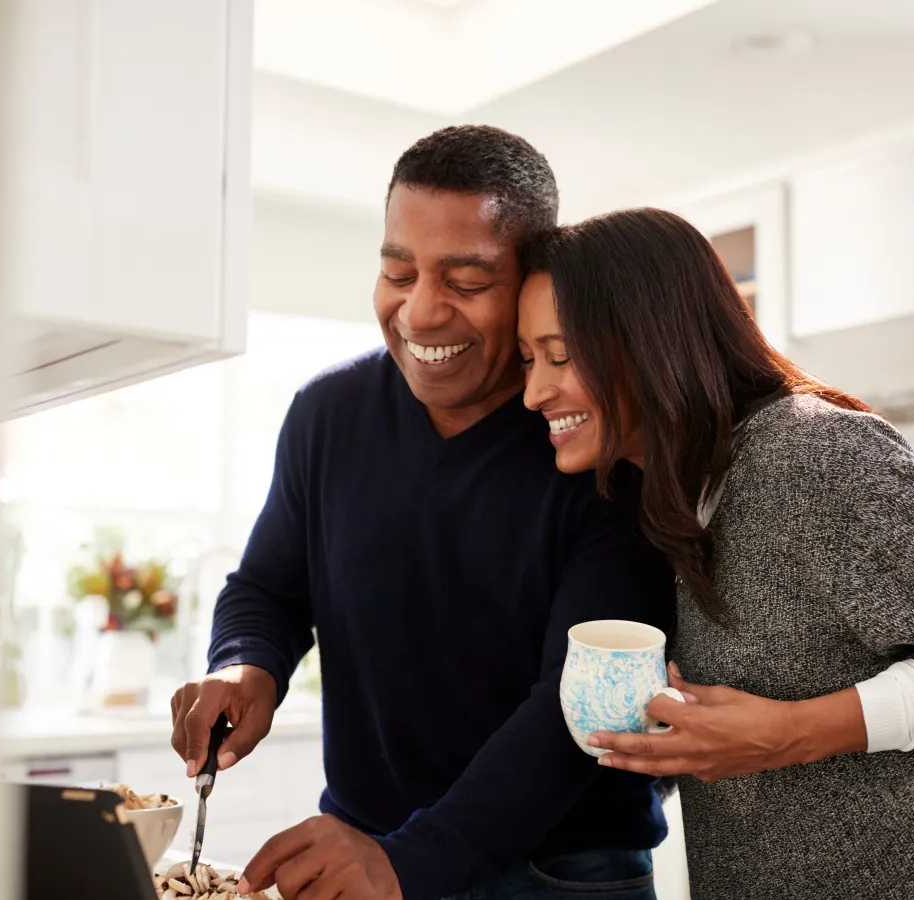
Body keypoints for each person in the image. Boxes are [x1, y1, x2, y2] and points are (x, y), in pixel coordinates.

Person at [515, 207, 914, 900]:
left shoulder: (814, 455)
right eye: (528, 359)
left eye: (561, 356)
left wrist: (787, 733)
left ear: (651, 338)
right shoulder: (670, 497)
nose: (536, 391)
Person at [169, 128, 675, 900]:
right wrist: (247, 664)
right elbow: (270, 588)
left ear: (536, 284)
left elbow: (576, 714)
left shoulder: (598, 443)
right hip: (368, 848)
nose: (420, 311)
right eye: (397, 271)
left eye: (466, 282)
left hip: (559, 873)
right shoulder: (326, 414)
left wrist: (411, 861)